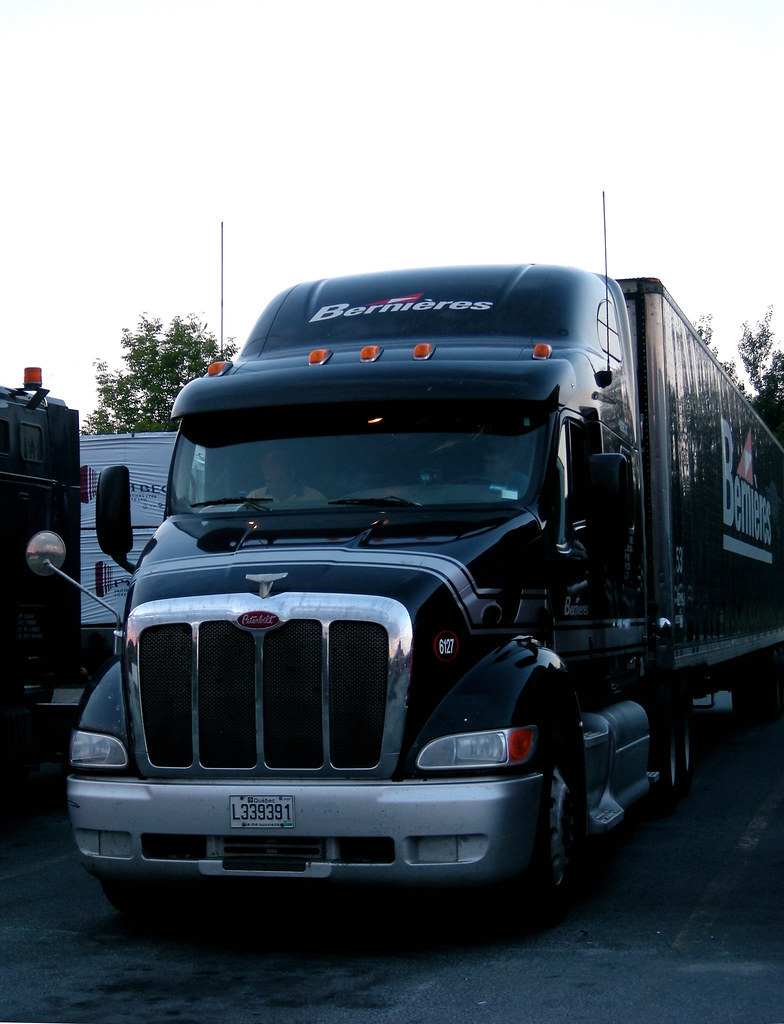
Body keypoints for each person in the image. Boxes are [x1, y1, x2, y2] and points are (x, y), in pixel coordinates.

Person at [248, 447, 326, 505]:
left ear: (290, 470)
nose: (267, 470)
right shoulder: (254, 497)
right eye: (265, 465)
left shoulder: (315, 498)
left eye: (272, 465)